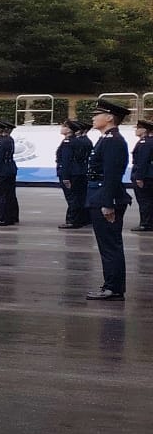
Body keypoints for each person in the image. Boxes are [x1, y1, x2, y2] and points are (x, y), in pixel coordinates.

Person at [84, 99, 130, 300]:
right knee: (107, 245)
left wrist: (107, 203)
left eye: (98, 114)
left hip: (105, 197)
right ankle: (111, 285)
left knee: (110, 246)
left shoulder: (113, 141)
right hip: (100, 195)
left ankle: (114, 288)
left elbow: (112, 174)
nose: (94, 118)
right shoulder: (106, 139)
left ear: (109, 117)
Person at [56, 121, 92, 229]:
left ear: (69, 130)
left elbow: (66, 160)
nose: (61, 128)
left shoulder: (68, 142)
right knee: (78, 197)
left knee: (72, 197)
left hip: (71, 173)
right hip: (79, 171)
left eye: (64, 127)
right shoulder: (78, 140)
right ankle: (80, 219)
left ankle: (73, 220)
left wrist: (65, 177)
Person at [132, 118, 153, 232]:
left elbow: (142, 161)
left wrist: (139, 177)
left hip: (145, 176)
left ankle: (146, 223)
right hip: (148, 175)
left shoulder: (145, 142)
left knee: (144, 200)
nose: (136, 130)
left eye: (138, 128)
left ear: (144, 130)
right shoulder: (148, 141)